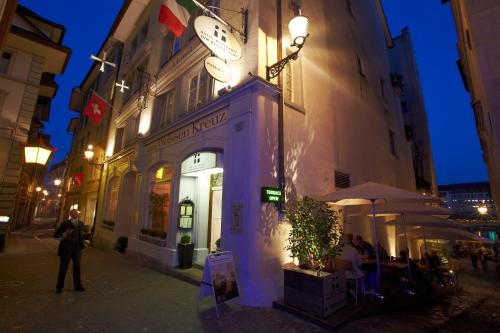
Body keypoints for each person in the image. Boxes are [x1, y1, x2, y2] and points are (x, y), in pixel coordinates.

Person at [53, 209, 88, 294]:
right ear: (70, 214)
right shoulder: (65, 223)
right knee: (63, 267)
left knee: (77, 267)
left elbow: (81, 235)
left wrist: (84, 240)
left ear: (78, 215)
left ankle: (78, 286)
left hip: (77, 249)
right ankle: (59, 287)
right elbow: (56, 235)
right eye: (73, 213)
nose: (75, 214)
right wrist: (64, 234)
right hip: (66, 248)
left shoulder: (81, 224)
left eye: (76, 213)